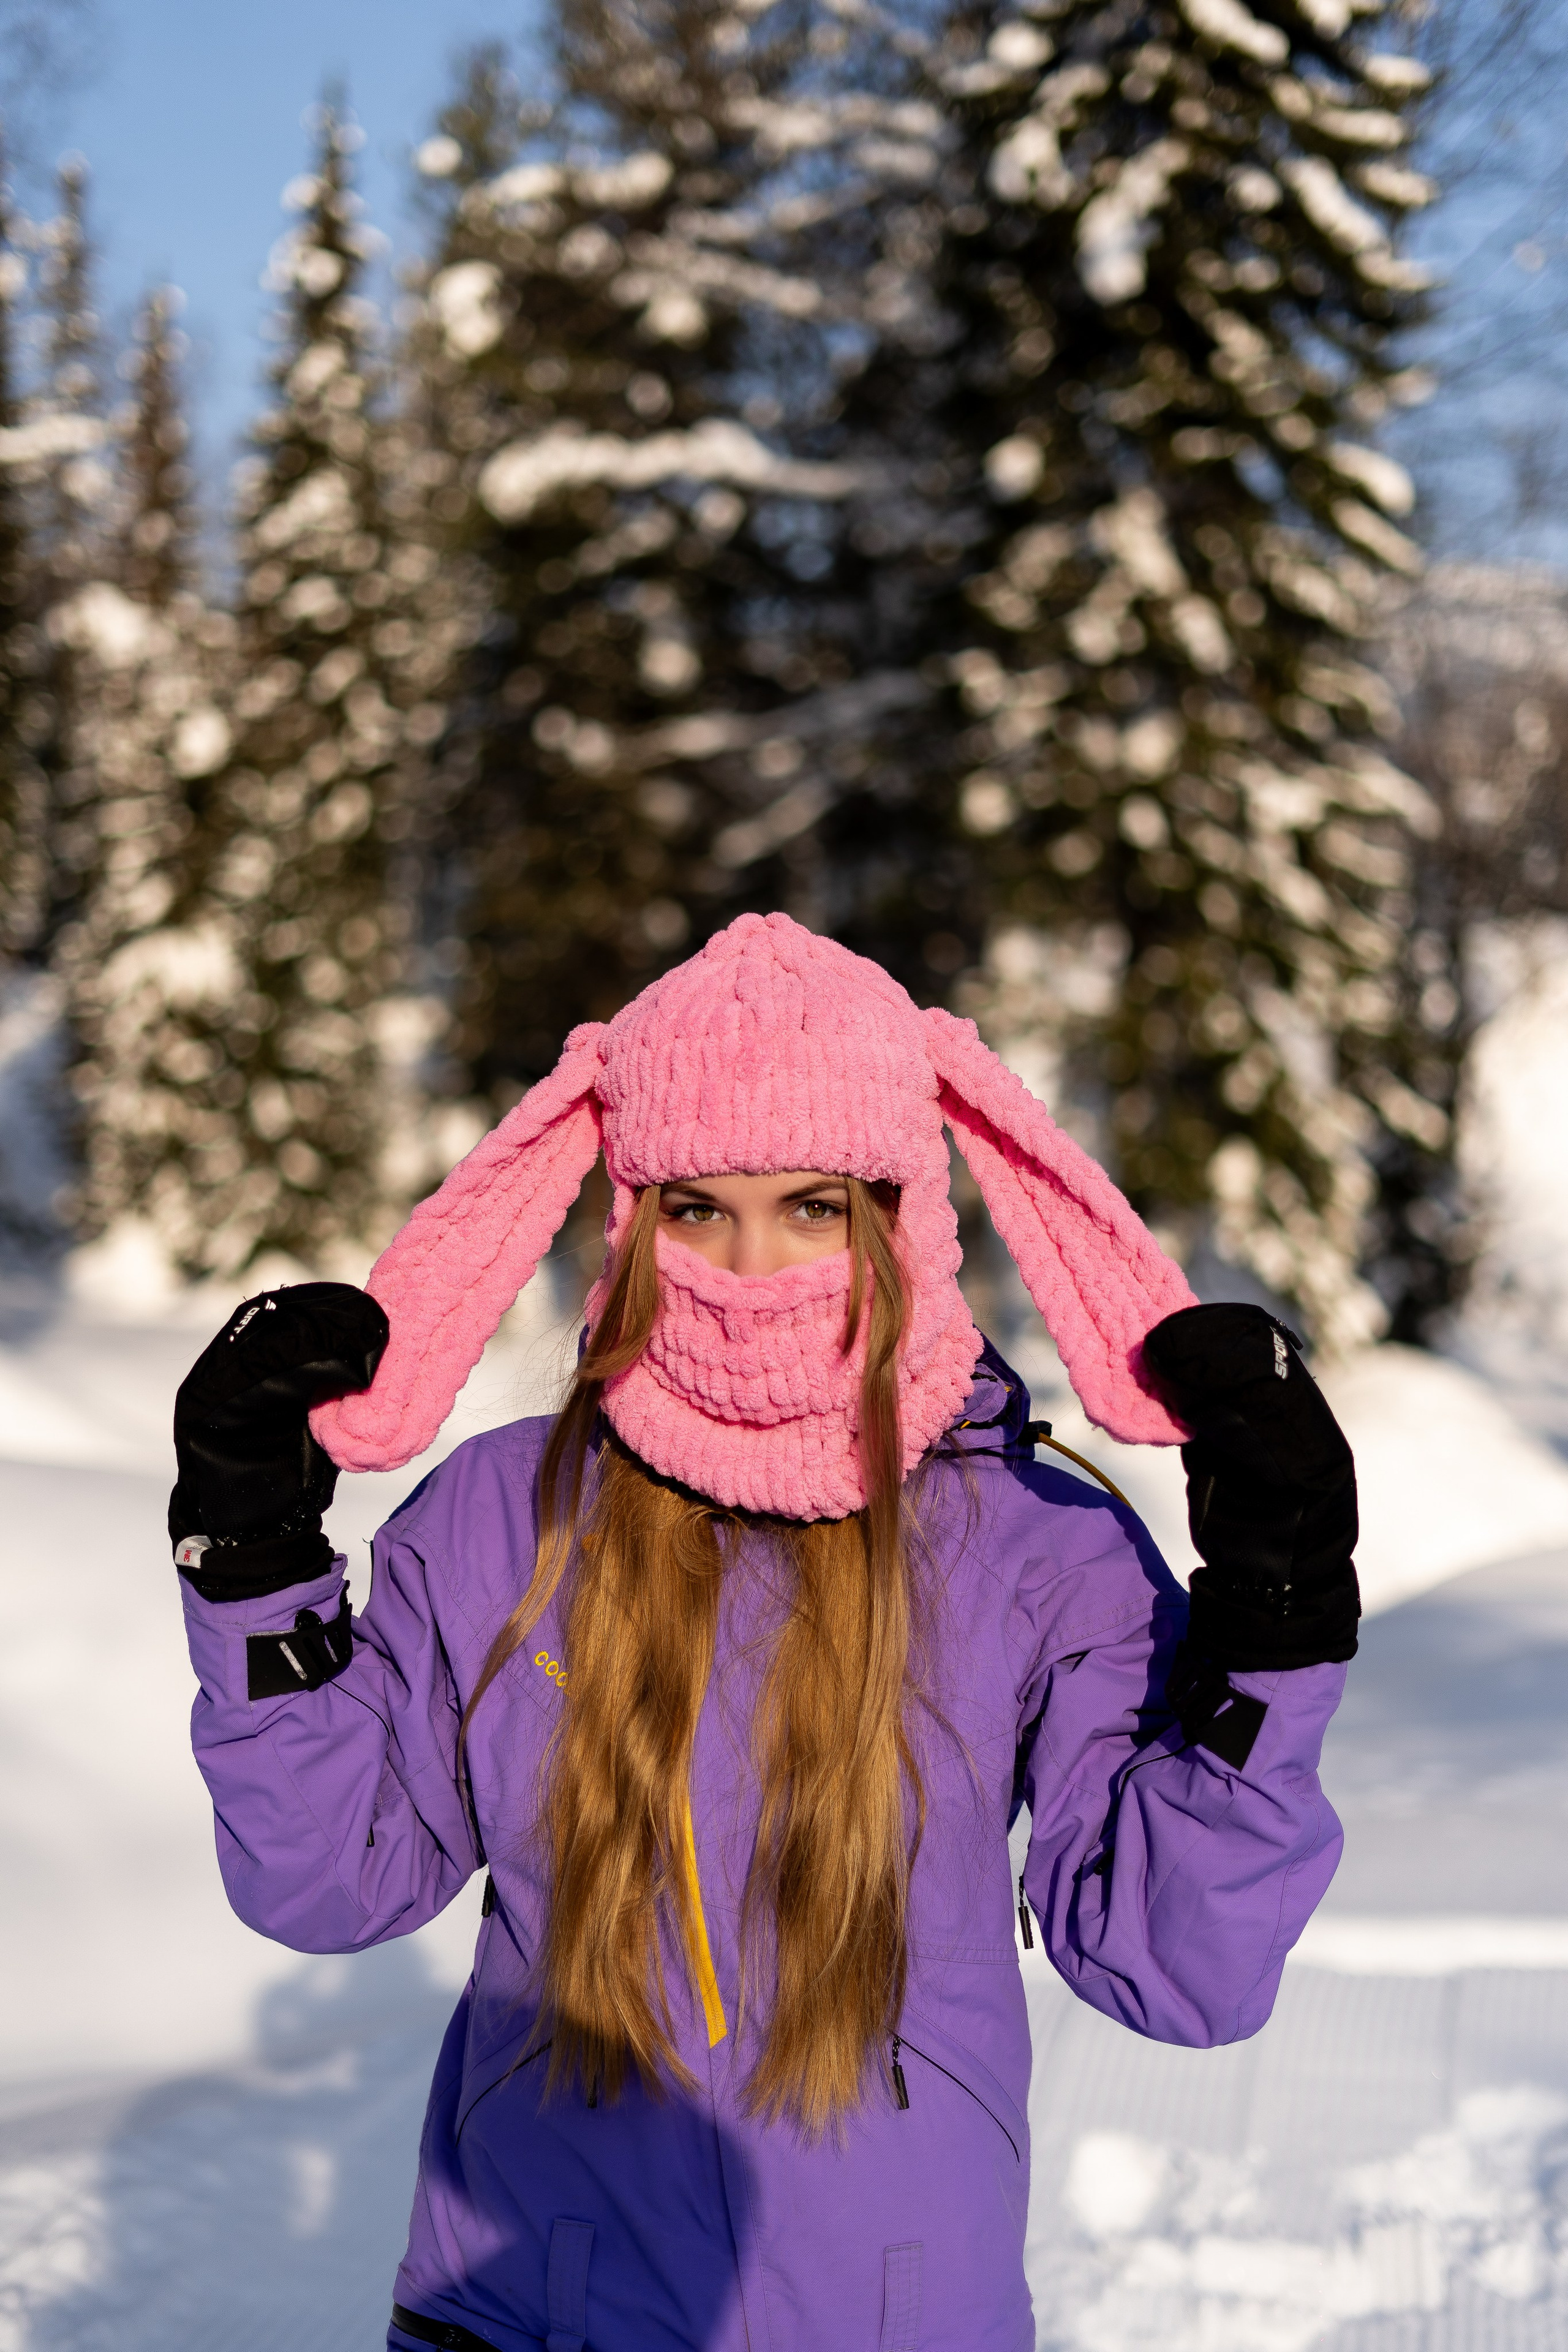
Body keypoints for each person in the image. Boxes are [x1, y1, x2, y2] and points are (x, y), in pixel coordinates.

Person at [170, 912, 1359, 2352]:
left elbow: (1178, 1968)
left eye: (815, 1207)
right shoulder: (504, 1518)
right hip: (525, 2317)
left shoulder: (1037, 1551)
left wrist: (1268, 1631)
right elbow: (326, 1882)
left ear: (904, 1219)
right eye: (693, 1208)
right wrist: (251, 1569)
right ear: (630, 1221)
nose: (750, 1268)